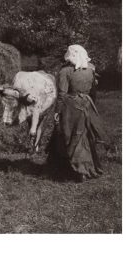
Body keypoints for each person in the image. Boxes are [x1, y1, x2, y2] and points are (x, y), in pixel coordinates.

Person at [47, 45, 107, 181]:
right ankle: (84, 167)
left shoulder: (65, 71)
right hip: (86, 103)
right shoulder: (90, 70)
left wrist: (57, 111)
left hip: (71, 106)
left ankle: (79, 170)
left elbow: (62, 94)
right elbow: (93, 92)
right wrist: (91, 105)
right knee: (84, 135)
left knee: (71, 135)